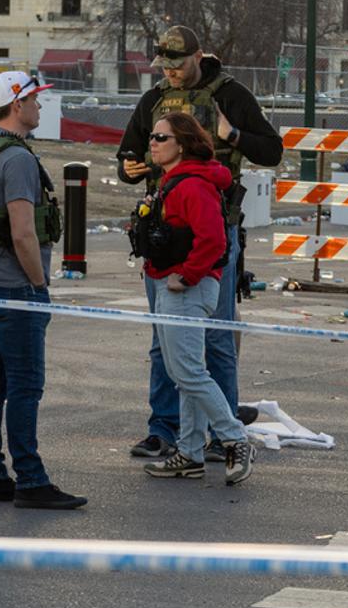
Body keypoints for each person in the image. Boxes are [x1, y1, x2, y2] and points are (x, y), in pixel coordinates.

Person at [117, 26, 283, 461]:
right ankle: (163, 429)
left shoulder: (230, 95)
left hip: (213, 224)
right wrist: (129, 169)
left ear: (198, 57)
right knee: (163, 339)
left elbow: (271, 151)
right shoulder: (153, 99)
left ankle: (219, 432)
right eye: (165, 66)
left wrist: (234, 137)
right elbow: (129, 154)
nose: (171, 73)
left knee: (217, 336)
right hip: (163, 230)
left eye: (178, 65)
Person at [0, 71, 86, 510]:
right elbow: (24, 232)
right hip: (15, 286)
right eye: (34, 100)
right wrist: (39, 285)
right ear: (16, 104)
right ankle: (30, 478)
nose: (39, 107)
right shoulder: (18, 159)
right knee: (25, 386)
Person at [132, 112, 254, 486]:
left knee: (188, 372)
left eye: (160, 137)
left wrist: (186, 276)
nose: (151, 142)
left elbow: (215, 240)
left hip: (186, 289)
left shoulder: (192, 186)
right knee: (184, 374)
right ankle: (189, 452)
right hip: (177, 283)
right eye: (152, 136)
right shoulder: (177, 182)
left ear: (182, 144)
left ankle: (234, 438)